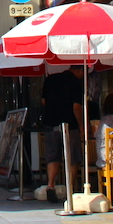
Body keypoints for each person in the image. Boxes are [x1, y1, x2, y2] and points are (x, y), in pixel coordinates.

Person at [40, 68, 84, 203]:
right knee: (72, 157)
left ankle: (50, 185)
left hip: (51, 123)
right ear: (78, 71)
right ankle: (69, 188)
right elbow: (76, 107)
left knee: (53, 155)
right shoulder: (76, 83)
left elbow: (43, 102)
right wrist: (81, 125)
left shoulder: (50, 79)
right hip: (70, 125)